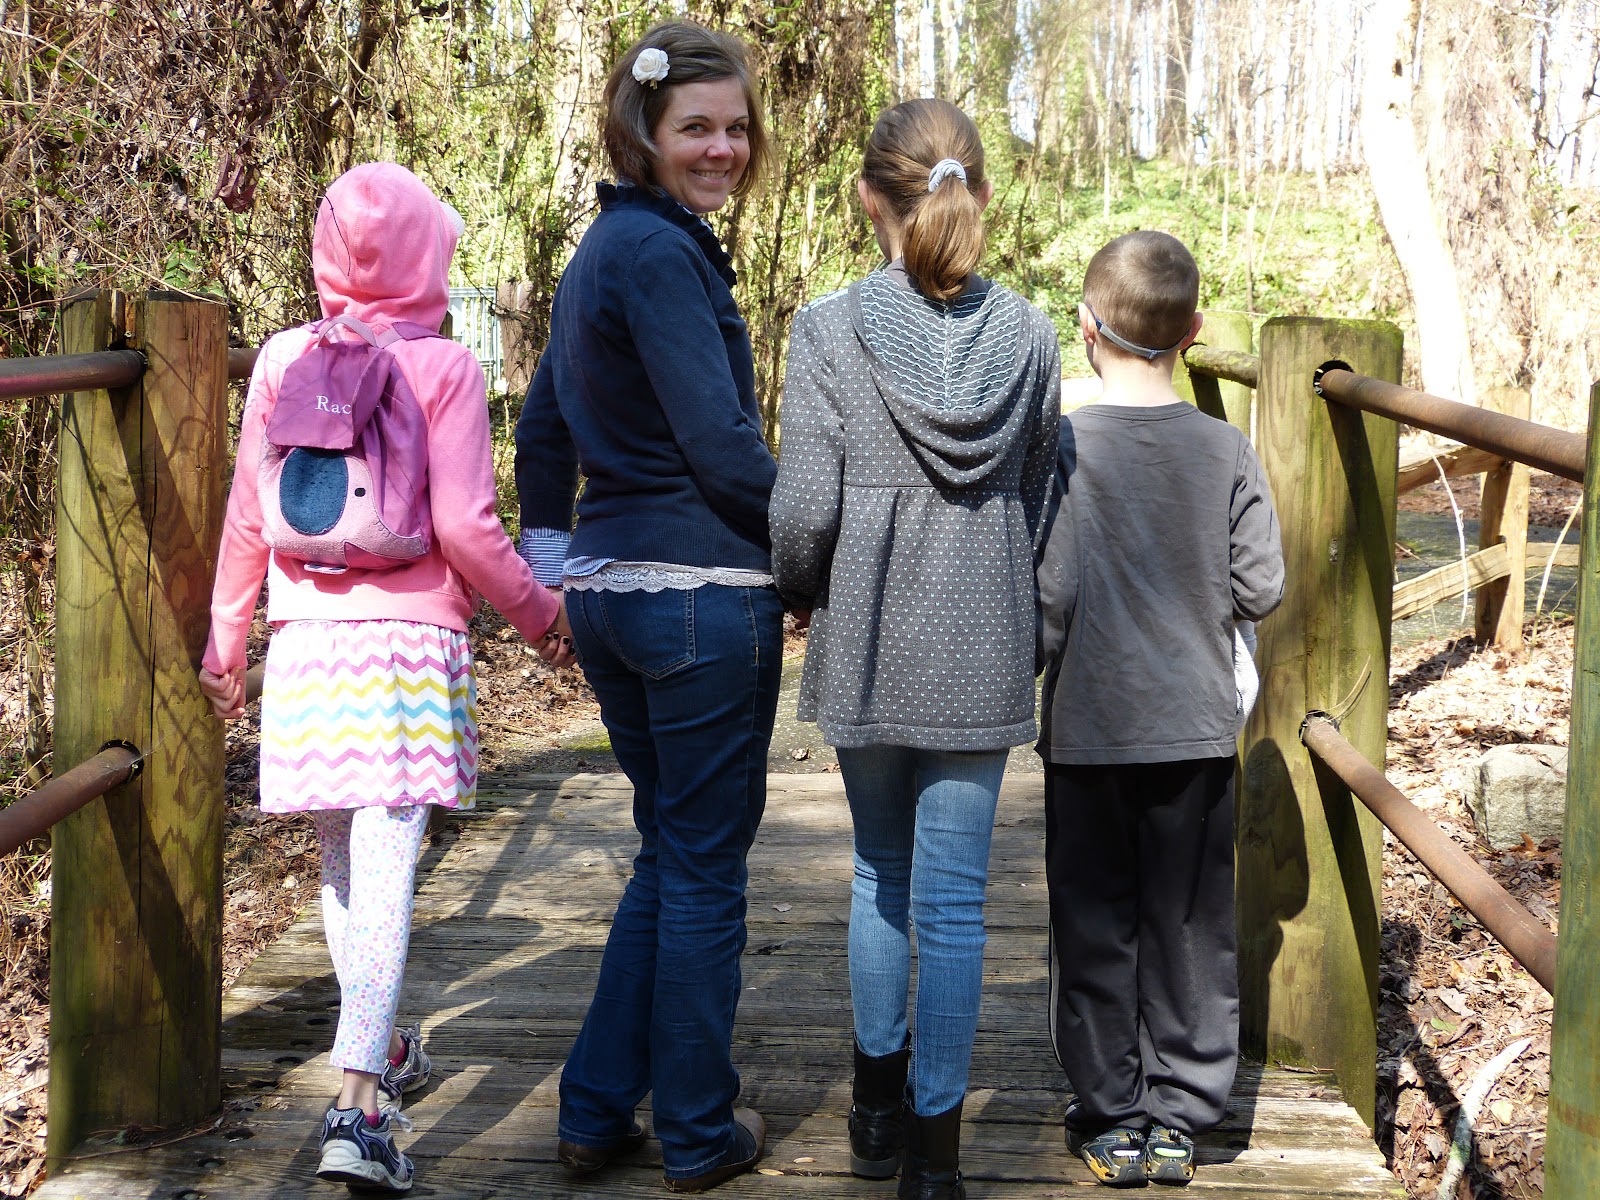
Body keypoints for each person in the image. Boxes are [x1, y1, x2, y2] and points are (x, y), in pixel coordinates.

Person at [198, 162, 567, 1194]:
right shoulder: (442, 365)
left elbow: (247, 516)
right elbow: (466, 527)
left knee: (343, 862)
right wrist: (541, 615)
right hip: (404, 648)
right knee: (390, 863)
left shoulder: (284, 357)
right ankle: (357, 1109)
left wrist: (226, 645)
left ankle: (387, 1049)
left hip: (306, 646)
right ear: (426, 256)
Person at [770, 99, 1062, 1200]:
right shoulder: (1031, 335)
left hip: (870, 632)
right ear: (979, 193)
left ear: (867, 199)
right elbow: (1037, 497)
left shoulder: (828, 329)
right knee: (954, 902)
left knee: (878, 874)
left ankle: (871, 1113)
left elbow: (805, 510)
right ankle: (935, 1162)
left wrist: (801, 590)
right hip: (984, 637)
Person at [512, 21, 783, 1194]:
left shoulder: (601, 252)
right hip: (697, 598)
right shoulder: (664, 256)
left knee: (668, 856)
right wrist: (822, 550)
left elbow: (540, 430)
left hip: (613, 596)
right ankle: (698, 1132)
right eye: (695, 129)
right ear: (644, 131)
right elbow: (722, 450)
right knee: (704, 870)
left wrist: (555, 562)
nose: (720, 149)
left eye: (735, 129)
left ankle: (590, 1112)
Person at [1034, 230, 1284, 1188]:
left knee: (1094, 922)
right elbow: (1260, 586)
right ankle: (1181, 1116)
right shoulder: (1226, 449)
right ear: (1194, 331)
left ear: (1085, 328)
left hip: (1089, 729)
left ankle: (1110, 1114)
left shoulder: (1061, 448)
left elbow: (1050, 595)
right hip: (1195, 731)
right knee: (1189, 925)